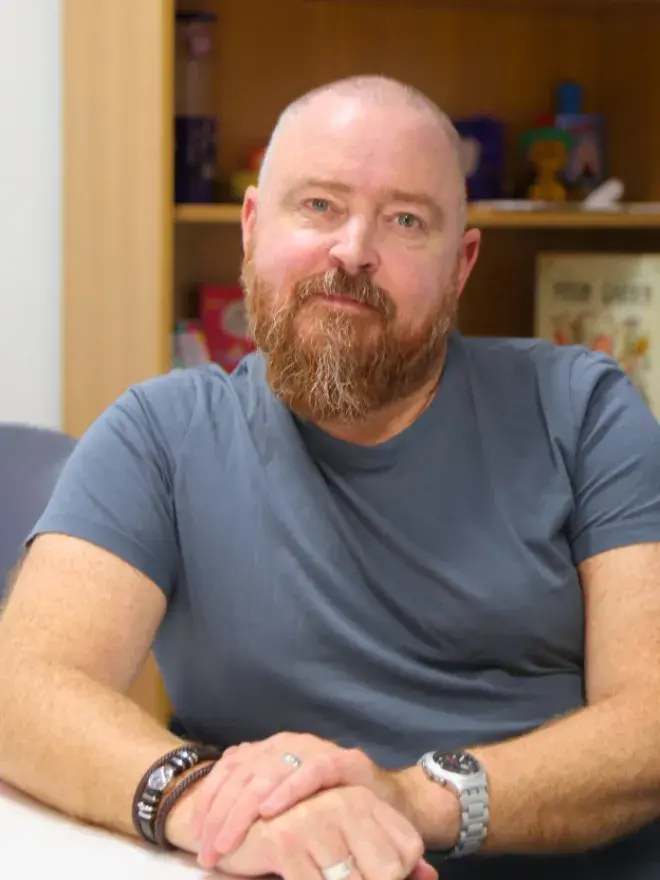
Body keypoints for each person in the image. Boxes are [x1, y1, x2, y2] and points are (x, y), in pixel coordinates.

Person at [1, 74, 660, 880]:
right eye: (318, 206)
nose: (352, 251)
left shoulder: (585, 411)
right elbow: (22, 689)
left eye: (406, 221)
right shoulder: (159, 435)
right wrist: (207, 804)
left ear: (462, 263)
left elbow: (651, 723)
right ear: (251, 228)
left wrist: (411, 803)